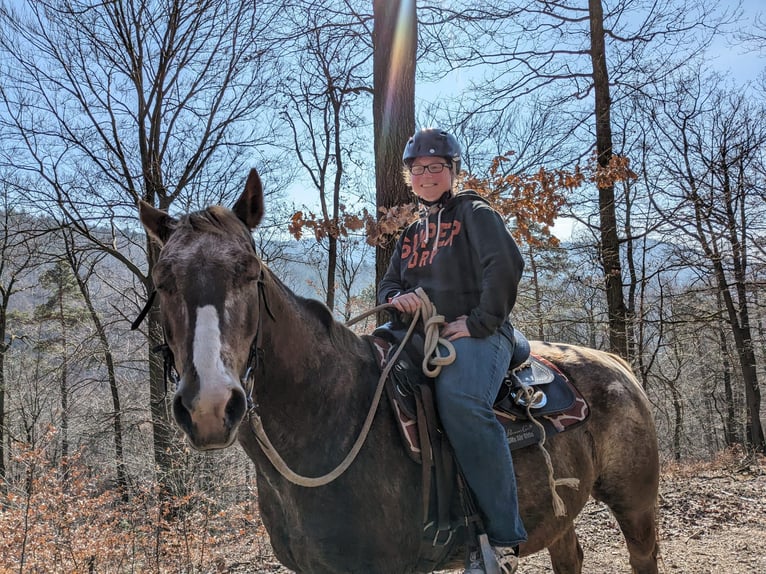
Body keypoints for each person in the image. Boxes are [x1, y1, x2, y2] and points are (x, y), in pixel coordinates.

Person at [378, 128, 527, 574]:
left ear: (452, 171)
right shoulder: (409, 235)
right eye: (418, 169)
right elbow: (389, 284)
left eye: (436, 167)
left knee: (460, 401)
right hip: (420, 336)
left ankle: (500, 537)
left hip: (478, 333)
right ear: (410, 177)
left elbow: (505, 265)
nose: (426, 175)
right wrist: (397, 299)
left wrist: (480, 321)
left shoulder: (475, 212)